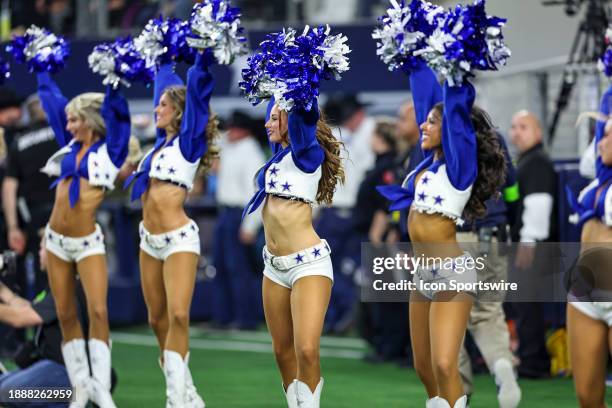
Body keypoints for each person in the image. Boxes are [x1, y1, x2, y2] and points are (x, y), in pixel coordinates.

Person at [377, 60, 506, 407]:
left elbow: (454, 112)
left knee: (445, 363)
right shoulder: (425, 164)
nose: (423, 124)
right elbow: (424, 99)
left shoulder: (459, 168)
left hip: (452, 273)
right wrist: (415, 60)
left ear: (449, 129)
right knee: (423, 366)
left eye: (433, 122)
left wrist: (454, 69)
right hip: (422, 275)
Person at [124, 50, 218, 407]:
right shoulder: (157, 147)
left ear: (178, 111)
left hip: (179, 239)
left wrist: (202, 57)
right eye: (157, 103)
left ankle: (175, 399)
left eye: (163, 105)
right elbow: (163, 82)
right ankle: (189, 392)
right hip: (148, 240)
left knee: (179, 314)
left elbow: (196, 93)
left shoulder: (188, 142)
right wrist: (162, 54)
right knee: (156, 318)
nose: (156, 108)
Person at [36, 66, 131, 408]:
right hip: (56, 241)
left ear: (90, 120)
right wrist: (43, 72)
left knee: (98, 311)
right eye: (69, 121)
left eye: (76, 120)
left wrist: (114, 83)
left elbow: (119, 119)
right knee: (64, 313)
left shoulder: (110, 151)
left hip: (87, 242)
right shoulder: (69, 146)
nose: (69, 126)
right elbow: (51, 104)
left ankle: (100, 387)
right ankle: (80, 386)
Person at [241, 94, 344, 407]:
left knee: (307, 350)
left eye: (275, 117)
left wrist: (300, 80)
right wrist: (279, 83)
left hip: (308, 265)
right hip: (273, 266)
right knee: (281, 350)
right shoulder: (279, 155)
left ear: (291, 123)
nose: (267, 122)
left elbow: (303, 117)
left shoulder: (306, 153)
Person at [456, 133, 522, 408]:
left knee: (448, 320)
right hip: (492, 235)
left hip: (452, 238)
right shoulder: (495, 138)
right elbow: (513, 190)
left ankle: (457, 392)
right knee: (490, 314)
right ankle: (502, 364)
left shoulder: (436, 132)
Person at [0, 235, 95, 408]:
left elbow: (21, 318)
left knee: (7, 392)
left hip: (65, 372)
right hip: (55, 368)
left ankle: (74, 398)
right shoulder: (61, 283)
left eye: (42, 248)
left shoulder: (66, 288)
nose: (39, 253)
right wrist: (4, 292)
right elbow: (29, 308)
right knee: (4, 388)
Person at [566, 85, 612, 408]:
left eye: (609, 135)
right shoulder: (598, 178)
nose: (602, 140)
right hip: (584, 291)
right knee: (587, 396)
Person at [318, 93, 375, 333]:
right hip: (342, 211)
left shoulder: (368, 133)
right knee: (336, 267)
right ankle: (336, 317)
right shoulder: (350, 139)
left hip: (342, 212)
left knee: (336, 268)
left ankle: (338, 317)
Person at [509, 110, 557, 379]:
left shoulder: (536, 162)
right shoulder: (526, 161)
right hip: (529, 242)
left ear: (538, 132)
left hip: (532, 245)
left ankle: (533, 362)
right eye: (514, 126)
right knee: (524, 305)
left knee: (527, 305)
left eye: (524, 126)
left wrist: (528, 241)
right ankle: (531, 357)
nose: (517, 131)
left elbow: (539, 204)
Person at [212, 110, 265, 329]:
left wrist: (250, 225)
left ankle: (246, 318)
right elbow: (214, 139)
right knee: (221, 265)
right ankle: (224, 316)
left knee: (239, 268)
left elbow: (258, 194)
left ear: (243, 130)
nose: (228, 132)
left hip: (240, 214)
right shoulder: (231, 146)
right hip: (225, 212)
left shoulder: (251, 153)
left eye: (233, 128)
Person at [3, 95, 57, 295]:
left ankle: (44, 320)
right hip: (67, 211)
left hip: (35, 218)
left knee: (41, 267)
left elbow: (9, 188)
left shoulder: (18, 143)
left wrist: (13, 227)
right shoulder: (64, 134)